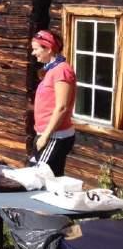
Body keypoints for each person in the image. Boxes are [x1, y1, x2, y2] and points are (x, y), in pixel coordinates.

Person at [30, 29, 76, 177]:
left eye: (36, 49)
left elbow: (62, 107)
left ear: (48, 49)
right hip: (46, 134)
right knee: (52, 182)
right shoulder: (51, 70)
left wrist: (45, 136)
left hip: (55, 136)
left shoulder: (62, 70)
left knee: (37, 178)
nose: (33, 53)